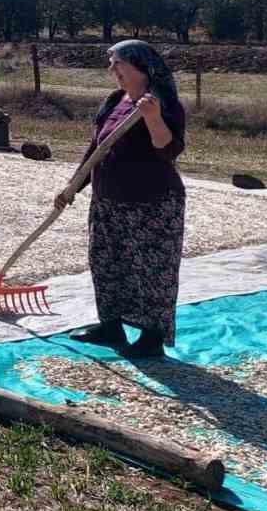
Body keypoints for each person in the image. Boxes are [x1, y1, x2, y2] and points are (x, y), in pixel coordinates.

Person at [54, 40, 186, 359]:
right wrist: (72, 186)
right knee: (106, 264)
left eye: (118, 64)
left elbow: (169, 150)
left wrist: (153, 117)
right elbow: (95, 150)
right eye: (111, 64)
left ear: (140, 67)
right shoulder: (115, 100)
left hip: (152, 204)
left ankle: (151, 337)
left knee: (151, 270)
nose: (113, 70)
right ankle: (110, 326)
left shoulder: (164, 102)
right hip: (107, 201)